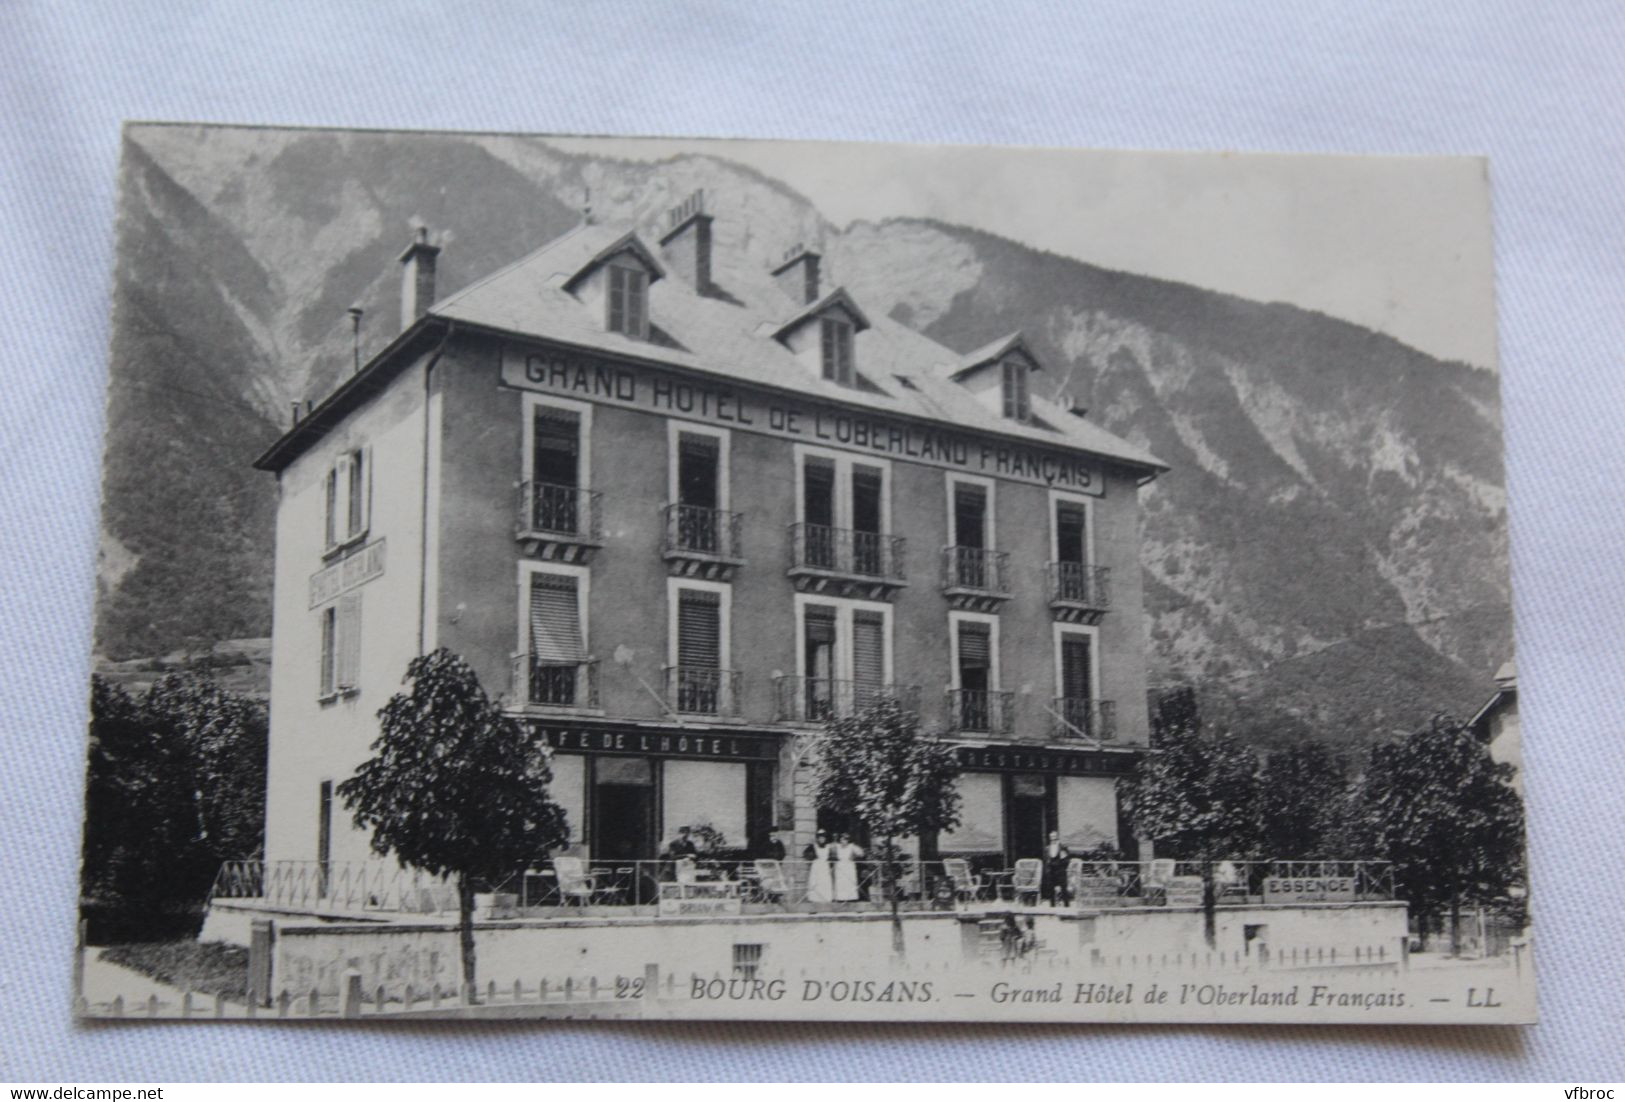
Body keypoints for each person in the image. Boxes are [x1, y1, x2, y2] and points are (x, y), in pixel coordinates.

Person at [803, 831, 835, 905]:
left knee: (824, 882)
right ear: (818, 839)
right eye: (820, 838)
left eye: (823, 838)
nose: (822, 840)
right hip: (816, 866)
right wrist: (812, 857)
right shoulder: (814, 846)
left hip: (825, 866)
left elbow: (831, 856)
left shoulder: (828, 847)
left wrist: (831, 863)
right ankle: (815, 899)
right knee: (815, 882)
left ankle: (825, 898)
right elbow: (805, 854)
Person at [833, 832, 865, 902]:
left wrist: (854, 857)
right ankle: (840, 899)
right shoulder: (837, 846)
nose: (843, 841)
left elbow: (861, 853)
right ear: (840, 840)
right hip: (840, 868)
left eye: (845, 839)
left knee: (849, 883)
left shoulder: (851, 846)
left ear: (848, 840)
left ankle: (850, 899)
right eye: (842, 839)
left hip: (849, 867)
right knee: (841, 884)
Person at [1046, 842, 1073, 907]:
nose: (1053, 838)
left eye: (1054, 837)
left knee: (1064, 888)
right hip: (1052, 871)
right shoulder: (1048, 848)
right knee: (1051, 888)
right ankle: (1052, 906)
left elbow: (1067, 860)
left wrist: (1063, 863)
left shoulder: (1062, 847)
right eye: (1052, 837)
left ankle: (1066, 906)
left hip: (1061, 870)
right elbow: (1048, 860)